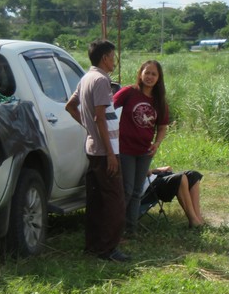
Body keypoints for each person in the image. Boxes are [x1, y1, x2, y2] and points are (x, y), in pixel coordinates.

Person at [65, 39, 128, 262]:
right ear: (104, 58)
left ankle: (93, 246)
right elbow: (99, 117)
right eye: (113, 56)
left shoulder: (86, 78)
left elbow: (70, 106)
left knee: (96, 201)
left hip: (93, 148)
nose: (114, 61)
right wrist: (111, 154)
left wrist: (89, 129)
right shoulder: (101, 80)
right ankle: (108, 249)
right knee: (114, 202)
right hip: (104, 151)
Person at [113, 60, 170, 235]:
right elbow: (107, 107)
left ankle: (131, 230)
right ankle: (115, 229)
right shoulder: (129, 92)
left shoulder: (160, 101)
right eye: (147, 72)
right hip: (125, 149)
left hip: (145, 152)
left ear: (158, 78)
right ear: (140, 74)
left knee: (137, 191)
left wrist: (157, 144)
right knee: (127, 190)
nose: (149, 77)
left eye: (154, 74)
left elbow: (162, 127)